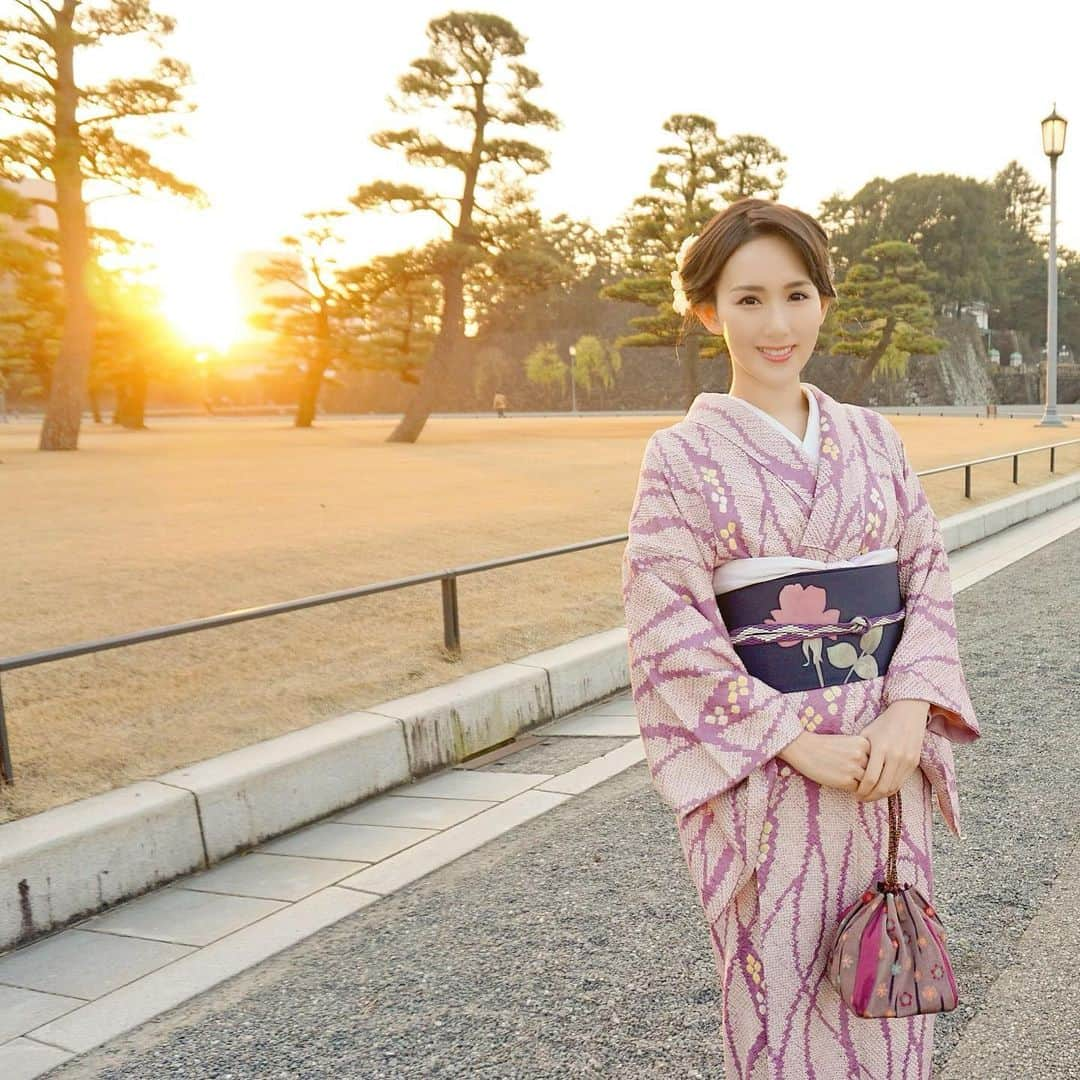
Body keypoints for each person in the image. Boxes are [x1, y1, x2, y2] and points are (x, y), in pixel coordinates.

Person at [621, 197, 980, 1079]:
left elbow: (925, 575)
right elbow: (669, 631)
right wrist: (792, 741)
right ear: (707, 310)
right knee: (779, 1000)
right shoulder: (680, 458)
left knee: (889, 984)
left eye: (795, 295)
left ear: (824, 298)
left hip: (881, 767)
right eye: (747, 300)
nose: (775, 324)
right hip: (770, 785)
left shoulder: (874, 438)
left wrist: (908, 713)